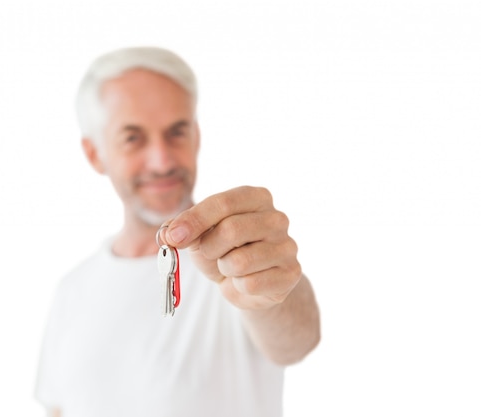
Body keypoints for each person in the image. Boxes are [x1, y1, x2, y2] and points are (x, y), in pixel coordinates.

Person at [35, 46, 321, 417]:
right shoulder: (71, 290)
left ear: (197, 137)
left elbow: (296, 342)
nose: (162, 160)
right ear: (95, 154)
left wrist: (277, 284)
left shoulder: (239, 259)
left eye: (176, 132)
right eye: (133, 138)